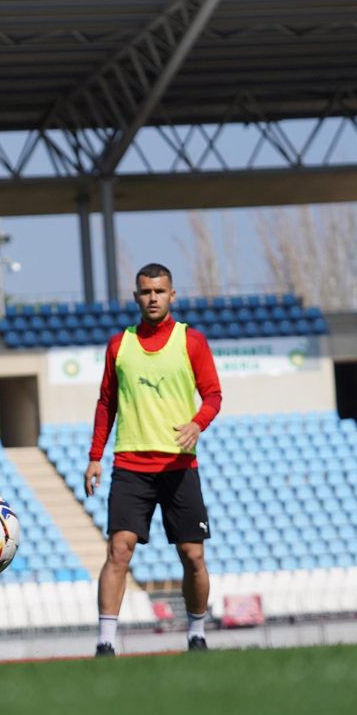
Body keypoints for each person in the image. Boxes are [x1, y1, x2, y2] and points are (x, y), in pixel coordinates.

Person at [84, 263, 221, 657]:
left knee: (193, 556)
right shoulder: (119, 345)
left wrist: (198, 423)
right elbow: (105, 403)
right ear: (136, 297)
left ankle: (197, 633)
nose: (153, 298)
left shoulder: (191, 341)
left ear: (172, 295)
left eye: (160, 291)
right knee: (118, 551)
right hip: (130, 465)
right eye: (146, 292)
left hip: (179, 466)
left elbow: (213, 394)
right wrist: (95, 457)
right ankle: (106, 643)